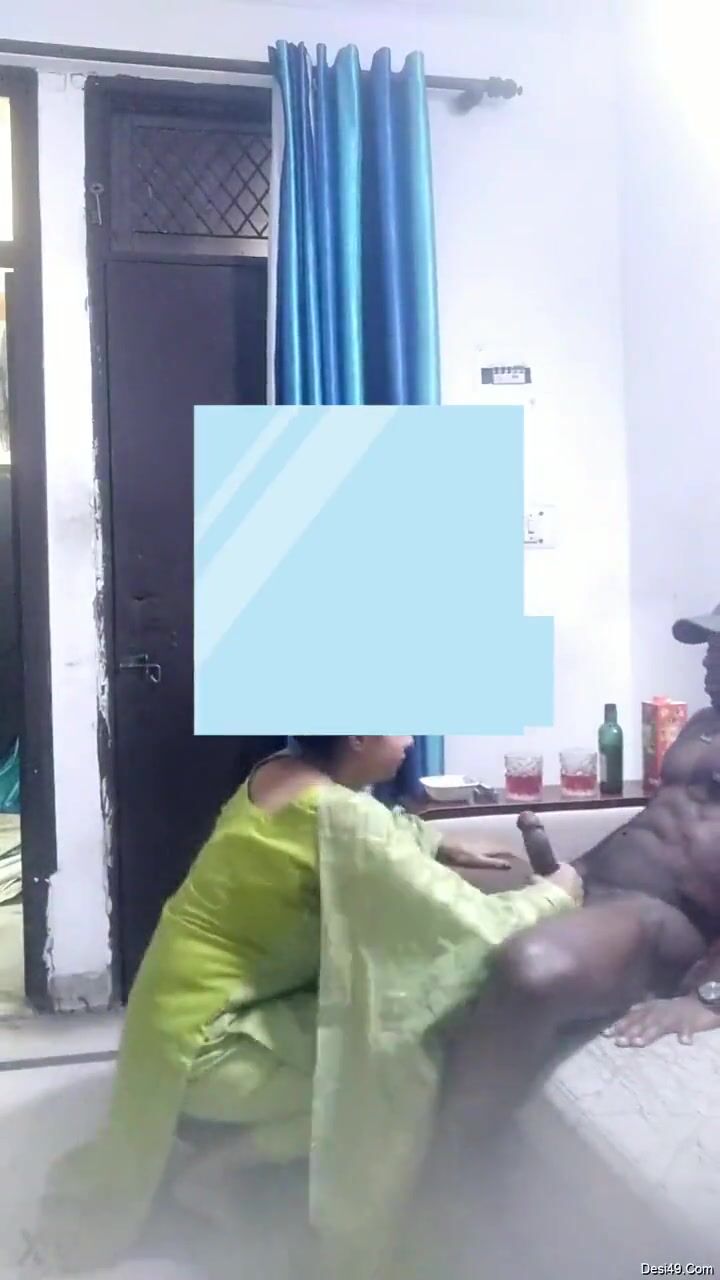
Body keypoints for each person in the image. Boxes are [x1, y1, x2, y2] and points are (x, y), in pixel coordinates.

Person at [33, 735, 581, 1278]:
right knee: (392, 1076)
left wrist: (439, 845)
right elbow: (471, 925)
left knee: (376, 1023)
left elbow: (369, 831)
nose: (411, 739)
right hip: (208, 1047)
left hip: (168, 1017)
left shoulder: (276, 773)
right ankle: (221, 1170)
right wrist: (557, 892)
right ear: (358, 735)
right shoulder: (339, 815)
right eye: (399, 724)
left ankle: (219, 1168)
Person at [439, 603, 720, 1147]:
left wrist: (709, 997)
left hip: (661, 917)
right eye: (708, 646)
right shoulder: (704, 723)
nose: (709, 660)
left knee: (533, 968)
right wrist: (567, 871)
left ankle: (455, 1161)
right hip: (596, 884)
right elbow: (656, 824)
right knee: (444, 879)